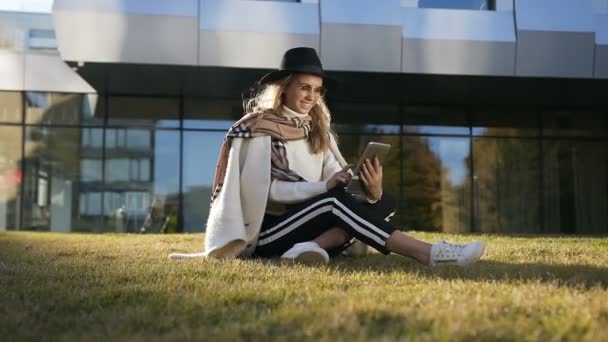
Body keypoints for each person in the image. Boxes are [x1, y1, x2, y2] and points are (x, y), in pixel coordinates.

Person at [169, 47, 485, 266]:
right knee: (333, 201)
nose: (311, 96)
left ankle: (307, 249)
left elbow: (339, 179)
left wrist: (368, 190)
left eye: (318, 90)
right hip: (265, 232)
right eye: (304, 88)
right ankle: (430, 254)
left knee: (383, 202)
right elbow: (268, 191)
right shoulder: (259, 128)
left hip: (306, 225)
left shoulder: (318, 130)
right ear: (284, 88)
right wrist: (324, 188)